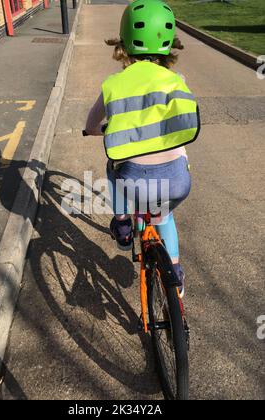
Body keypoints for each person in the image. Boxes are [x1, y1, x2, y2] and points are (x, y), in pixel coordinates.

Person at [85, 0, 200, 297]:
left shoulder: (114, 83)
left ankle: (123, 225)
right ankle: (175, 277)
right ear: (169, 45)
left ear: (123, 44)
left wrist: (95, 131)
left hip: (135, 182)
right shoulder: (177, 80)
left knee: (113, 166)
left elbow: (92, 122)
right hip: (177, 180)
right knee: (165, 217)